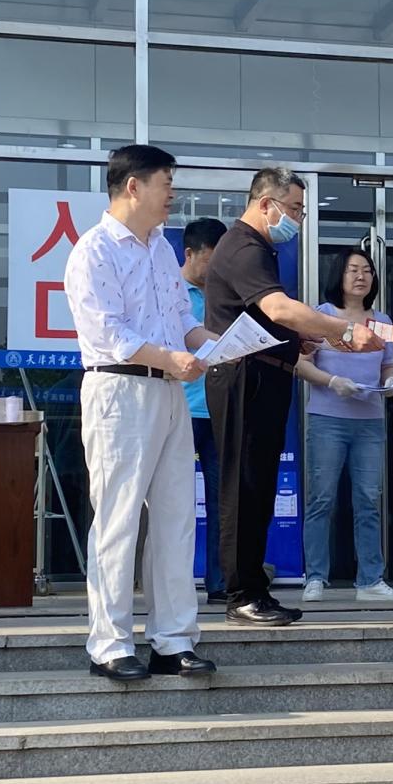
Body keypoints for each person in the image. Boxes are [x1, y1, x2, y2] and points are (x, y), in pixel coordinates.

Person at [205, 167, 382, 626]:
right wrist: (343, 330)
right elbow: (278, 307)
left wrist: (294, 340)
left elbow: (267, 319)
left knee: (259, 486)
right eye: (296, 209)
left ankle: (254, 589)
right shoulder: (244, 246)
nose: (299, 219)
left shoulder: (259, 247)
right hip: (244, 377)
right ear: (266, 203)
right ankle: (240, 594)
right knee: (243, 487)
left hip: (266, 374)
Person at [63, 146, 214, 683]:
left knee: (176, 519)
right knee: (119, 519)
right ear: (134, 186)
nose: (172, 194)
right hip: (119, 391)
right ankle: (109, 644)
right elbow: (111, 334)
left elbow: (181, 321)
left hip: (170, 393)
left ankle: (173, 641)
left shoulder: (162, 250)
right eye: (166, 184)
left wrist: (220, 345)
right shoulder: (94, 250)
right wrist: (171, 358)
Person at [296, 248, 393, 603]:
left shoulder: (382, 320)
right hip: (327, 420)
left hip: (370, 422)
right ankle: (315, 578)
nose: (361, 276)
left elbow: (387, 365)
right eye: (353, 270)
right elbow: (300, 364)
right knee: (321, 499)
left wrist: (391, 382)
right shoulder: (322, 316)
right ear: (338, 276)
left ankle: (370, 581)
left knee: (368, 500)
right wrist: (332, 382)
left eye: (367, 270)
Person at [179, 217, 229, 604]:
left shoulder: (225, 296)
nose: (214, 270)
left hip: (218, 409)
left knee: (221, 501)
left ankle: (219, 583)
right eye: (210, 261)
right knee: (176, 501)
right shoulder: (170, 293)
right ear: (190, 254)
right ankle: (175, 585)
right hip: (179, 409)